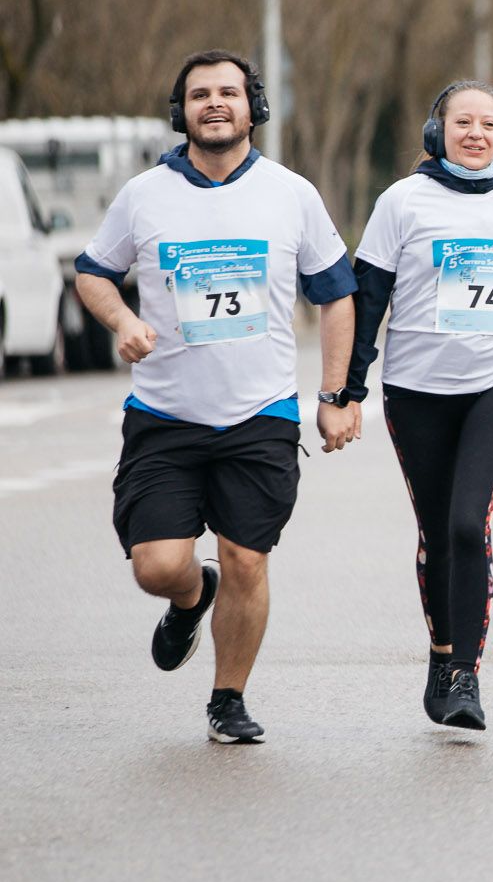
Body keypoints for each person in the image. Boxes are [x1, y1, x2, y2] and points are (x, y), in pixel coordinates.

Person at [73, 49, 361, 744]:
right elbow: (92, 273)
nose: (214, 103)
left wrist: (334, 393)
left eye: (228, 92)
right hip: (165, 415)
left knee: (247, 558)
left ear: (253, 106)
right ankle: (190, 596)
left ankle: (228, 698)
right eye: (200, 94)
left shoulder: (291, 194)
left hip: (259, 414)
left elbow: (336, 294)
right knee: (159, 565)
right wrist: (122, 321)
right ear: (182, 112)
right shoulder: (144, 195)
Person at [345, 80, 493, 731]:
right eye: (462, 122)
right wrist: (348, 390)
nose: (475, 133)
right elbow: (368, 299)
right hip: (415, 387)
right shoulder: (401, 202)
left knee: (467, 524)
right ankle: (442, 652)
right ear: (437, 130)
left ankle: (465, 675)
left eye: (488, 123)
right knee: (435, 529)